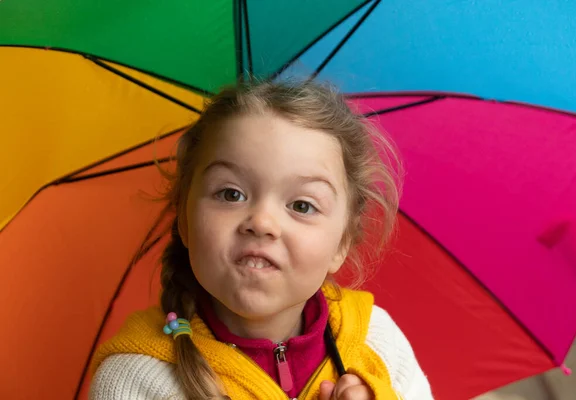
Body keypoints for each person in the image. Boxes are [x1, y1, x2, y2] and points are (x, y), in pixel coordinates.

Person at [89, 80, 434, 400]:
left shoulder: (378, 342)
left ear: (342, 243)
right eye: (230, 194)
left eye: (302, 205)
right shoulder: (135, 379)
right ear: (184, 218)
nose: (262, 222)